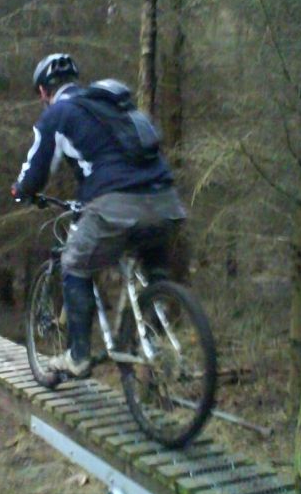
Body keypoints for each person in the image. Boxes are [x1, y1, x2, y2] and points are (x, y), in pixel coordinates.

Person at [11, 53, 186, 378]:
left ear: (42, 93)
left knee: (74, 263)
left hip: (115, 205)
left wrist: (21, 189)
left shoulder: (57, 115)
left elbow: (36, 171)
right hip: (167, 202)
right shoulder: (116, 111)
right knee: (152, 268)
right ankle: (158, 318)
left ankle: (78, 356)